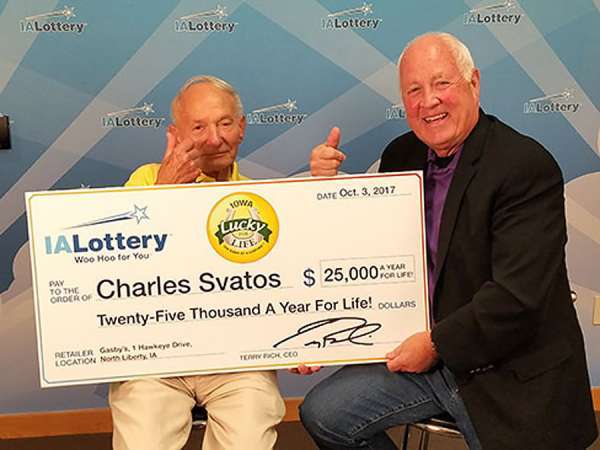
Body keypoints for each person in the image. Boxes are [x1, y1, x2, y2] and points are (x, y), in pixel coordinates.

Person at [300, 32, 597, 450]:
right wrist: (316, 335)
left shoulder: (525, 166)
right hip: (429, 361)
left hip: (509, 371)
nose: (428, 101)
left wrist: (436, 343)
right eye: (414, 91)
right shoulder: (401, 155)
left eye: (442, 83)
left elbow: (516, 298)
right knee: (324, 414)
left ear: (473, 83)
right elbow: (371, 258)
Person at [109, 76, 285, 450]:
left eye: (224, 123)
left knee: (249, 439)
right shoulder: (145, 182)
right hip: (155, 360)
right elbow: (119, 271)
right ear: (176, 134)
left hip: (238, 362)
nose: (214, 138)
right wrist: (164, 194)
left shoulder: (264, 201)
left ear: (242, 127)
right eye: (199, 127)